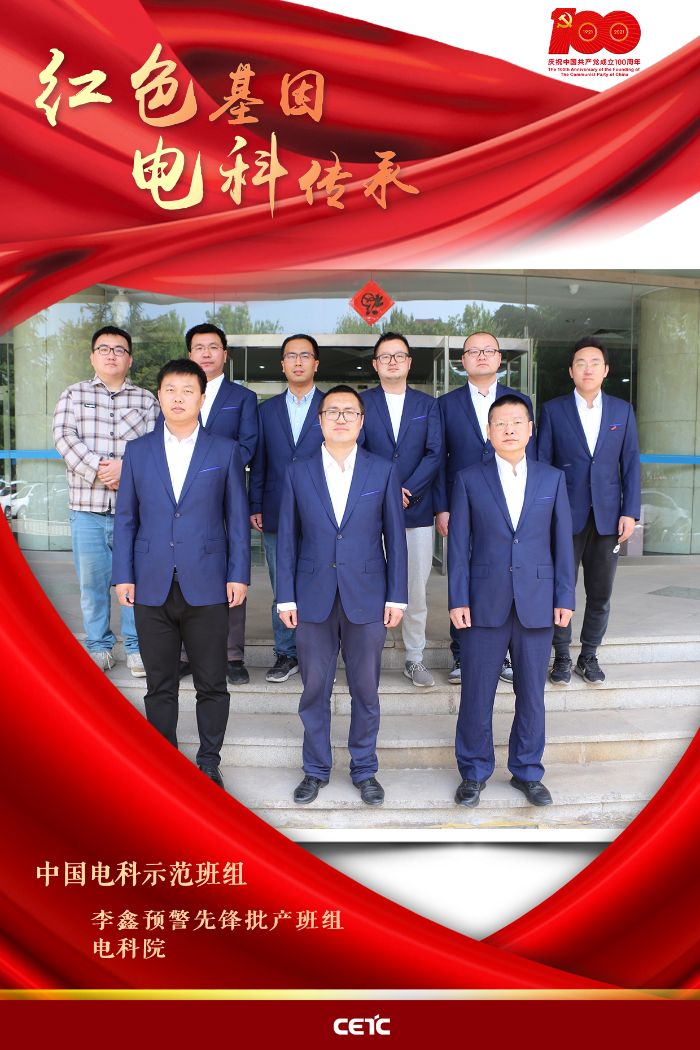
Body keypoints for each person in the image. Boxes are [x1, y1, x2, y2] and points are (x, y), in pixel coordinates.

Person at [112, 359, 250, 789]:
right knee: (160, 684)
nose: (178, 398)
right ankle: (165, 765)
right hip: (151, 582)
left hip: (208, 583)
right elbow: (126, 518)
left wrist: (239, 574)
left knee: (212, 682)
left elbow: (237, 519)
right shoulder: (138, 451)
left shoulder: (224, 450)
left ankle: (209, 762)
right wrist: (123, 575)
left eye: (187, 390)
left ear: (201, 399)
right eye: (170, 389)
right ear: (159, 396)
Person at [276, 385, 408, 806]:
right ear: (319, 421)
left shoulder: (381, 470)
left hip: (367, 596)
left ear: (362, 421)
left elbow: (396, 538)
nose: (341, 418)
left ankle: (364, 769)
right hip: (311, 595)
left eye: (349, 412)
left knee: (365, 689)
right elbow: (287, 540)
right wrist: (285, 597)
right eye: (332, 411)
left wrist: (397, 596)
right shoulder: (298, 471)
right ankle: (315, 769)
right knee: (314, 688)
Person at [448, 395, 575, 808]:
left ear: (530, 429)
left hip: (537, 602)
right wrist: (457, 598)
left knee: (532, 694)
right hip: (483, 602)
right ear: (489, 432)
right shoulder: (469, 479)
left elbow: (562, 544)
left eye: (517, 422)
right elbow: (459, 547)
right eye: (500, 423)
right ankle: (474, 772)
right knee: (476, 693)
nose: (508, 429)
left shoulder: (552, 479)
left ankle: (527, 770)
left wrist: (564, 596)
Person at [53, 325, 158, 676]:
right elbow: (63, 437)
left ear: (129, 359)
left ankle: (136, 647)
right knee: (92, 584)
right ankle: (99, 646)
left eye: (119, 350)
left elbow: (156, 446)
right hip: (87, 509)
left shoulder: (146, 400)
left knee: (136, 582)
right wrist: (100, 469)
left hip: (135, 512)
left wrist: (126, 469)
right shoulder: (73, 394)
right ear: (92, 357)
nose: (112, 355)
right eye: (104, 349)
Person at [538, 336, 641, 685]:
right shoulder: (553, 410)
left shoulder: (622, 411)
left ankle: (589, 655)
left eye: (595, 363)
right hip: (564, 516)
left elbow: (631, 464)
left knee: (600, 592)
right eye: (580, 363)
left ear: (606, 370)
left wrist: (630, 511)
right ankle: (562, 657)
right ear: (571, 371)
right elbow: (543, 464)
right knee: (560, 589)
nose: (588, 369)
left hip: (609, 518)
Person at [435, 331, 535, 686]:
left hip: (509, 504)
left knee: (505, 571)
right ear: (462, 361)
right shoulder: (445, 404)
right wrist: (442, 506)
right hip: (461, 502)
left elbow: (532, 455)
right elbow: (439, 458)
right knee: (461, 572)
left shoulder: (518, 401)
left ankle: (504, 652)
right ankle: (461, 652)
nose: (481, 356)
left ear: (499, 358)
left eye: (488, 350)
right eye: (473, 351)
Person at [176, 322, 258, 686]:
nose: (206, 353)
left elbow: (248, 444)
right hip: (183, 498)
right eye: (199, 347)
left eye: (213, 347)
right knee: (183, 569)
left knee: (232, 570)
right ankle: (185, 653)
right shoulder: (178, 393)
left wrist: (211, 468)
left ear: (224, 354)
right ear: (189, 354)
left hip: (227, 495)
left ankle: (232, 655)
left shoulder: (243, 397)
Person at [360, 332, 442, 688]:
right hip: (370, 512)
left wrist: (407, 490)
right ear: (375, 364)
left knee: (415, 588)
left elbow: (435, 453)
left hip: (416, 511)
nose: (392, 361)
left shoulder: (428, 405)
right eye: (385, 356)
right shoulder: (362, 403)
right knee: (369, 585)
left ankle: (414, 657)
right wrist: (386, 491)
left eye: (399, 355)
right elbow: (357, 451)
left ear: (409, 362)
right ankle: (368, 658)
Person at [249, 334, 324, 683]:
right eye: (291, 356)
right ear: (282, 365)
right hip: (276, 509)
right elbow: (259, 462)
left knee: (320, 583)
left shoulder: (331, 407)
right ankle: (286, 653)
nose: (298, 361)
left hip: (322, 513)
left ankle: (317, 653)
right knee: (283, 586)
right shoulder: (266, 411)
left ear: (315, 364)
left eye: (305, 355)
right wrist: (255, 503)